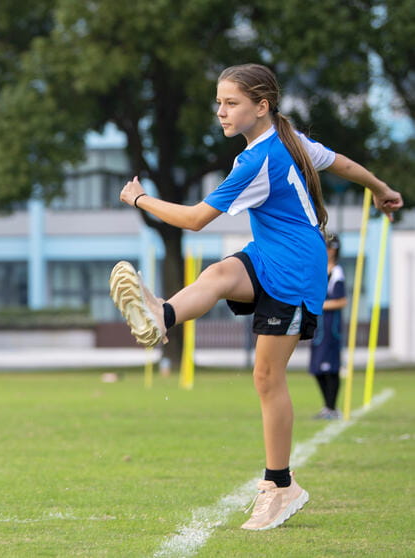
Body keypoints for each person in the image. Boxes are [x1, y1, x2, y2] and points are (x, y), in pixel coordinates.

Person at [109, 63, 403, 531]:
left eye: (231, 103)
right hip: (269, 253)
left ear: (260, 107)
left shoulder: (259, 159)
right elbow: (340, 162)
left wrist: (139, 199)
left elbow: (194, 219)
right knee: (221, 273)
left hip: (295, 269)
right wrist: (381, 188)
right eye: (218, 102)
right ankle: (163, 315)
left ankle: (281, 486)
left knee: (266, 377)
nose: (221, 112)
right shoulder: (288, 140)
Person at [309, 234, 347, 420]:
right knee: (317, 369)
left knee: (330, 368)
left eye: (331, 247)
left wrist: (319, 304)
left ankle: (332, 407)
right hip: (317, 328)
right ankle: (326, 406)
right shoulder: (318, 270)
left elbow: (341, 300)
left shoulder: (337, 272)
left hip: (331, 328)